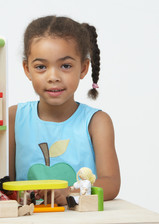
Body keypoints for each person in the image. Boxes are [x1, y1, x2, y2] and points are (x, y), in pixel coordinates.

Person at [8, 16, 120, 204]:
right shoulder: (13, 118)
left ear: (83, 68)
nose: (53, 77)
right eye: (41, 67)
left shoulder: (97, 122)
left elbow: (111, 183)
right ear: (27, 69)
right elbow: (4, 182)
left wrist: (69, 192)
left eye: (65, 66)